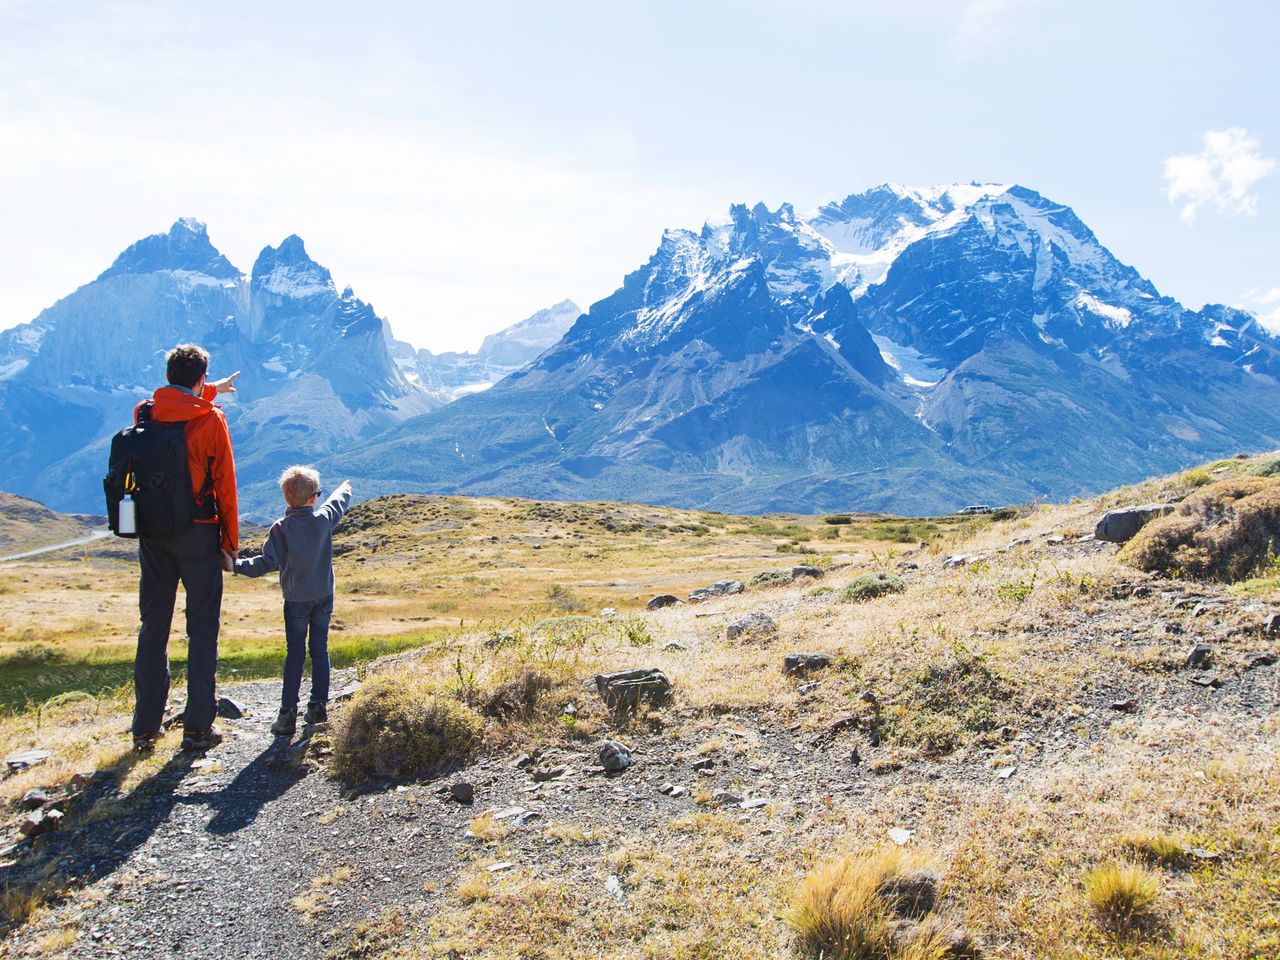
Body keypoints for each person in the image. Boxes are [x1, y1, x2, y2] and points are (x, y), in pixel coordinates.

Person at [132, 344, 240, 753]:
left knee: (153, 627)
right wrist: (229, 543)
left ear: (168, 373)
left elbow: (174, 408)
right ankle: (197, 727)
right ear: (199, 376)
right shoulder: (210, 420)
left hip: (153, 533)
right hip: (197, 534)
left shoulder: (144, 412)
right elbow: (225, 485)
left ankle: (145, 728)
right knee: (202, 629)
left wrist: (209, 388)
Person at [229, 467, 352, 737]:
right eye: (317, 494)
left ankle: (287, 716)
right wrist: (345, 486)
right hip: (324, 597)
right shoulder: (322, 520)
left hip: (296, 600)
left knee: (295, 653)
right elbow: (338, 503)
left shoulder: (281, 529)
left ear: (287, 498)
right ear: (313, 498)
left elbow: (265, 563)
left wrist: (235, 565)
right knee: (320, 649)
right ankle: (318, 707)